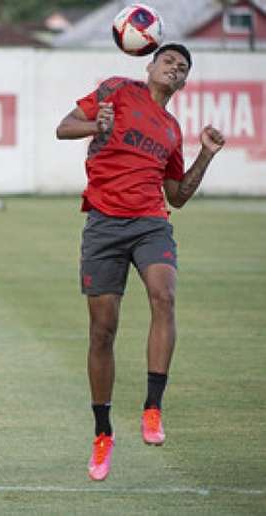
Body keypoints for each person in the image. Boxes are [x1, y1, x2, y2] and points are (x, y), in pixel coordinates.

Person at [55, 43, 225, 481]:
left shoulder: (171, 130)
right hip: (104, 224)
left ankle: (153, 407)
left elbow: (177, 197)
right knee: (102, 330)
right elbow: (63, 128)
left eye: (182, 67)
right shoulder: (116, 90)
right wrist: (97, 124)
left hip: (151, 222)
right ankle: (103, 432)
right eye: (168, 61)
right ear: (149, 65)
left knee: (163, 296)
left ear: (184, 82)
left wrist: (205, 154)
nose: (174, 68)